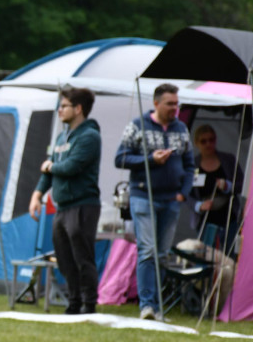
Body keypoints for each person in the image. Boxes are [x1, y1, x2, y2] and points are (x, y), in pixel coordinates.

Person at [114, 83, 195, 321]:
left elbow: (190, 164)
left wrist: (184, 192)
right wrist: (150, 159)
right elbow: (120, 158)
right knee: (148, 250)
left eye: (176, 104)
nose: (175, 108)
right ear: (156, 103)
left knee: (161, 254)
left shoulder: (181, 129)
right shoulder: (137, 126)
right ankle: (147, 306)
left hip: (171, 199)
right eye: (170, 104)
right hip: (143, 196)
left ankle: (157, 309)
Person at [28, 87, 102, 315]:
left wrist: (50, 166)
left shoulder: (90, 136)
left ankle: (89, 304)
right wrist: (37, 194)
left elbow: (71, 167)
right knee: (64, 258)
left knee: (82, 257)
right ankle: (74, 302)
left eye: (64, 106)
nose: (59, 110)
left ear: (78, 109)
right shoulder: (62, 136)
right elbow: (48, 172)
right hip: (62, 207)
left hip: (83, 205)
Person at [189, 124, 244, 256]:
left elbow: (243, 185)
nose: (208, 144)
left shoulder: (229, 160)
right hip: (204, 220)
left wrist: (228, 186)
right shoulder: (191, 166)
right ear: (196, 143)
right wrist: (199, 206)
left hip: (229, 218)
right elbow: (185, 194)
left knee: (231, 255)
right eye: (203, 141)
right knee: (206, 256)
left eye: (211, 140)